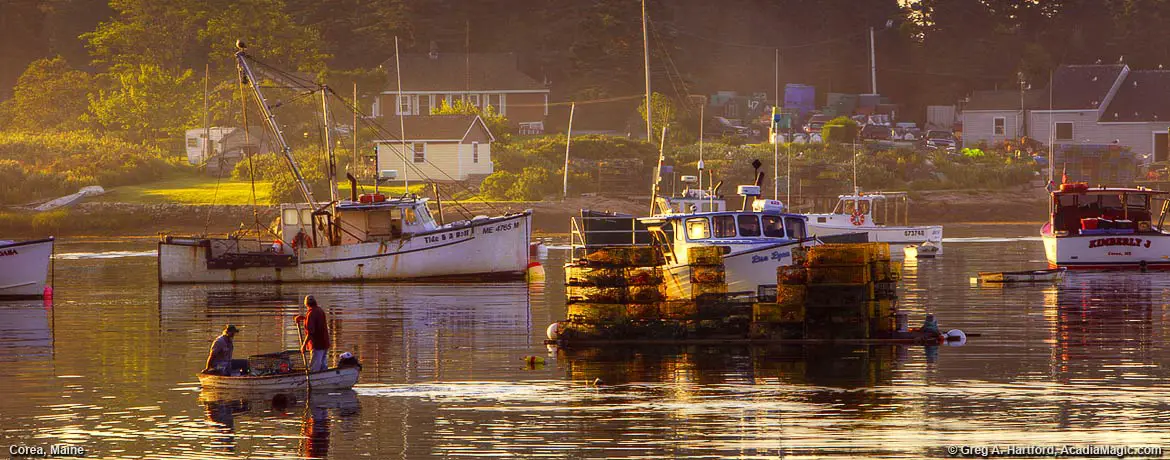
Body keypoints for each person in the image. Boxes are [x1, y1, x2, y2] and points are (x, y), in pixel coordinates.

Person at [296, 295, 331, 372]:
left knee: (315, 368)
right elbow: (317, 323)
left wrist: (304, 345)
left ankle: (315, 381)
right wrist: (304, 318)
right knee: (323, 367)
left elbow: (310, 332)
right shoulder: (320, 310)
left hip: (317, 345)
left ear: (306, 304)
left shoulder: (311, 314)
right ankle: (324, 380)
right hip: (325, 343)